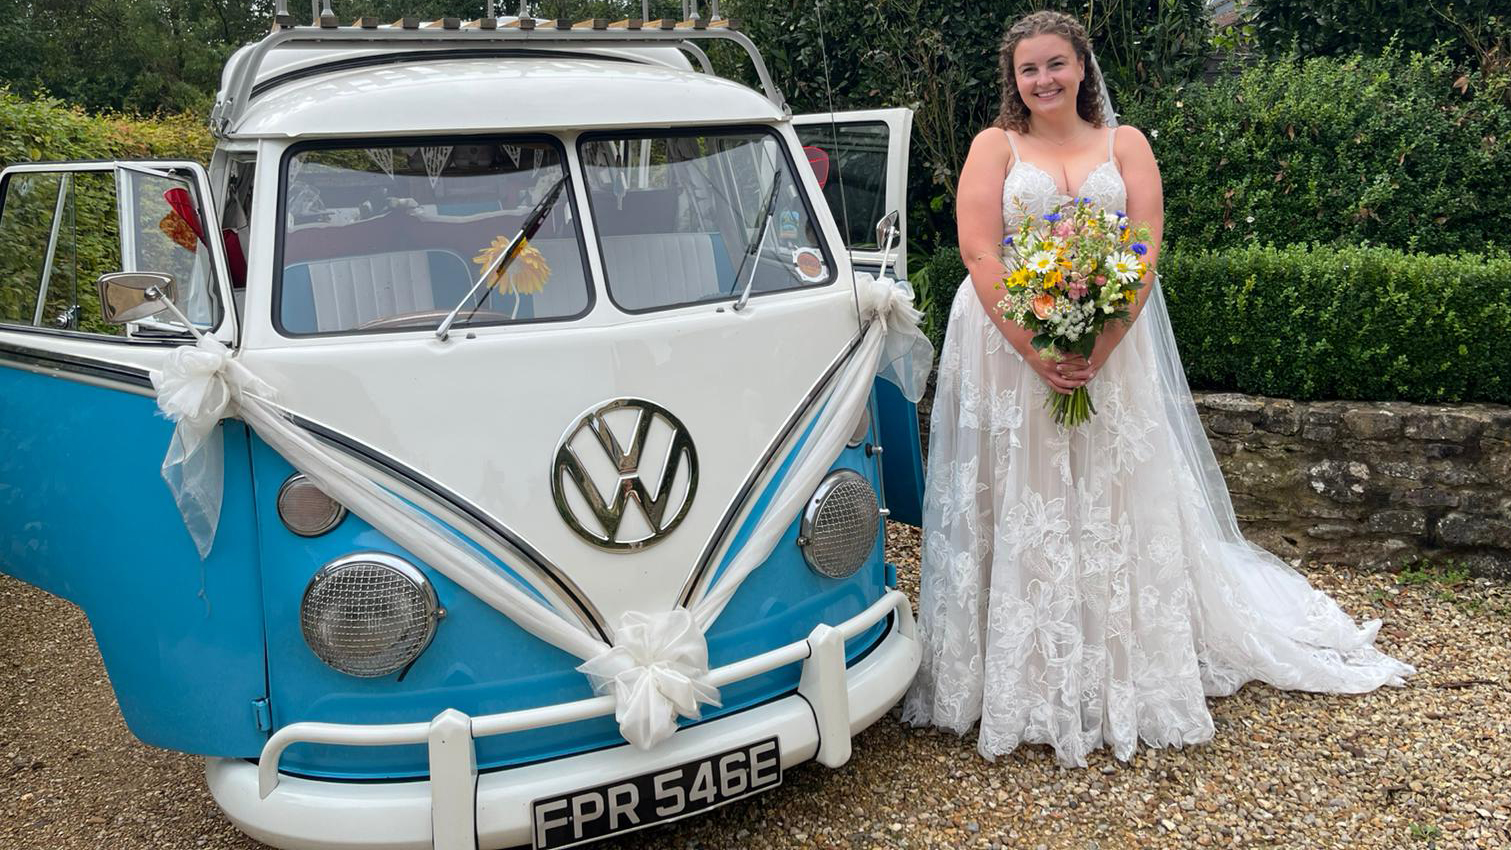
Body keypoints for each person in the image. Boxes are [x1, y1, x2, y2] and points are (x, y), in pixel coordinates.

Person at [901, 10, 1414, 768]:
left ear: (1081, 66)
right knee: (1018, 490)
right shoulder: (993, 146)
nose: (1043, 80)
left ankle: (1118, 662)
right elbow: (979, 250)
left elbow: (1141, 250)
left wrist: (1096, 346)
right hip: (1004, 338)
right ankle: (1018, 669)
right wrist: (1037, 348)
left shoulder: (1126, 143)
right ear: (1012, 82)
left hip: (1114, 338)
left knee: (1108, 488)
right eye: (1027, 70)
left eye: (1055, 64)